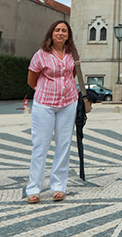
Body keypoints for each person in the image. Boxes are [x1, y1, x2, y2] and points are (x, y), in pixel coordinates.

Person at [25, 20, 80, 204]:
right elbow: (31, 80)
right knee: (40, 145)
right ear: (51, 33)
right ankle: (34, 188)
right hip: (45, 104)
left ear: (68, 35)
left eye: (64, 31)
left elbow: (71, 75)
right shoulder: (41, 55)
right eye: (57, 30)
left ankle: (59, 186)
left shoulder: (72, 54)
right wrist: (46, 90)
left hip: (68, 103)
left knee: (63, 145)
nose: (60, 33)